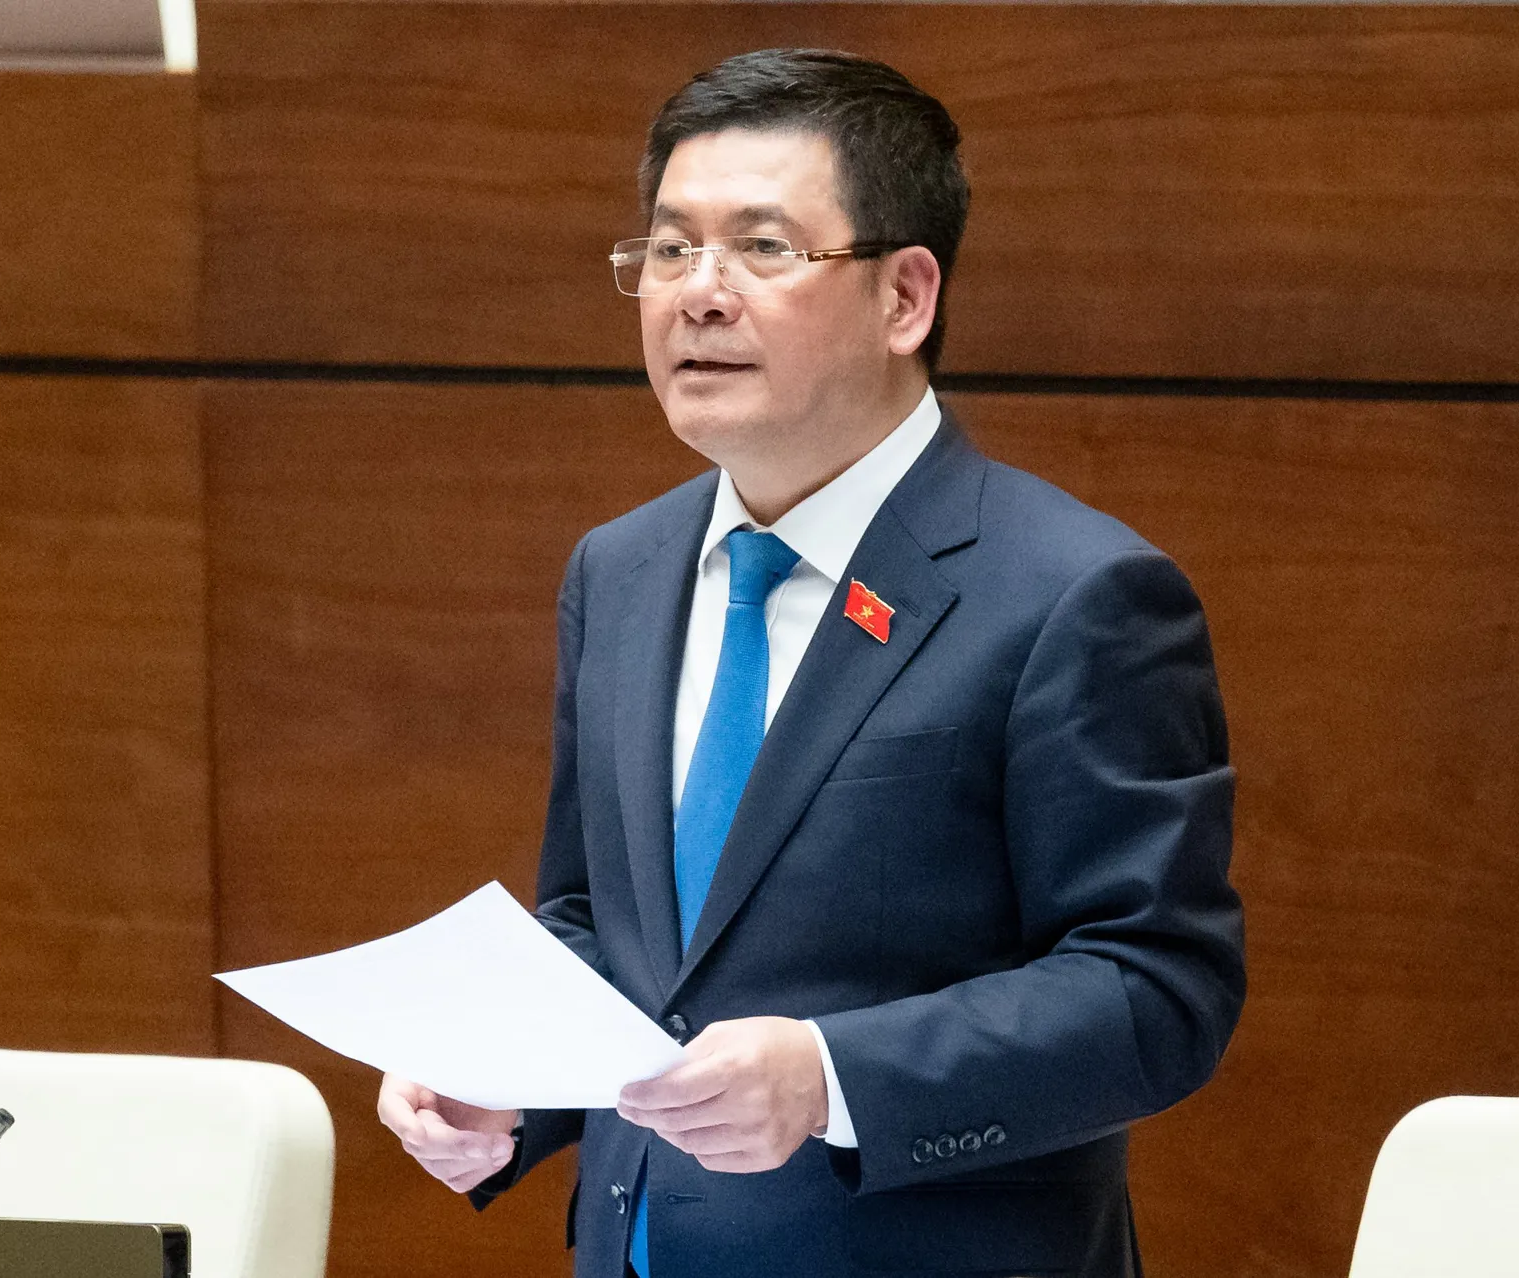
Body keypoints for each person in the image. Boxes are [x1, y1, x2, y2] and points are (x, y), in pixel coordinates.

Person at [377, 47, 1245, 1278]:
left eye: (763, 248)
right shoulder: (621, 572)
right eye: (670, 249)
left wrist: (833, 1078)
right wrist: (501, 1077)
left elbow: (1154, 991)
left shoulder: (1073, 594)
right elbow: (607, 933)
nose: (698, 293)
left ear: (905, 298)